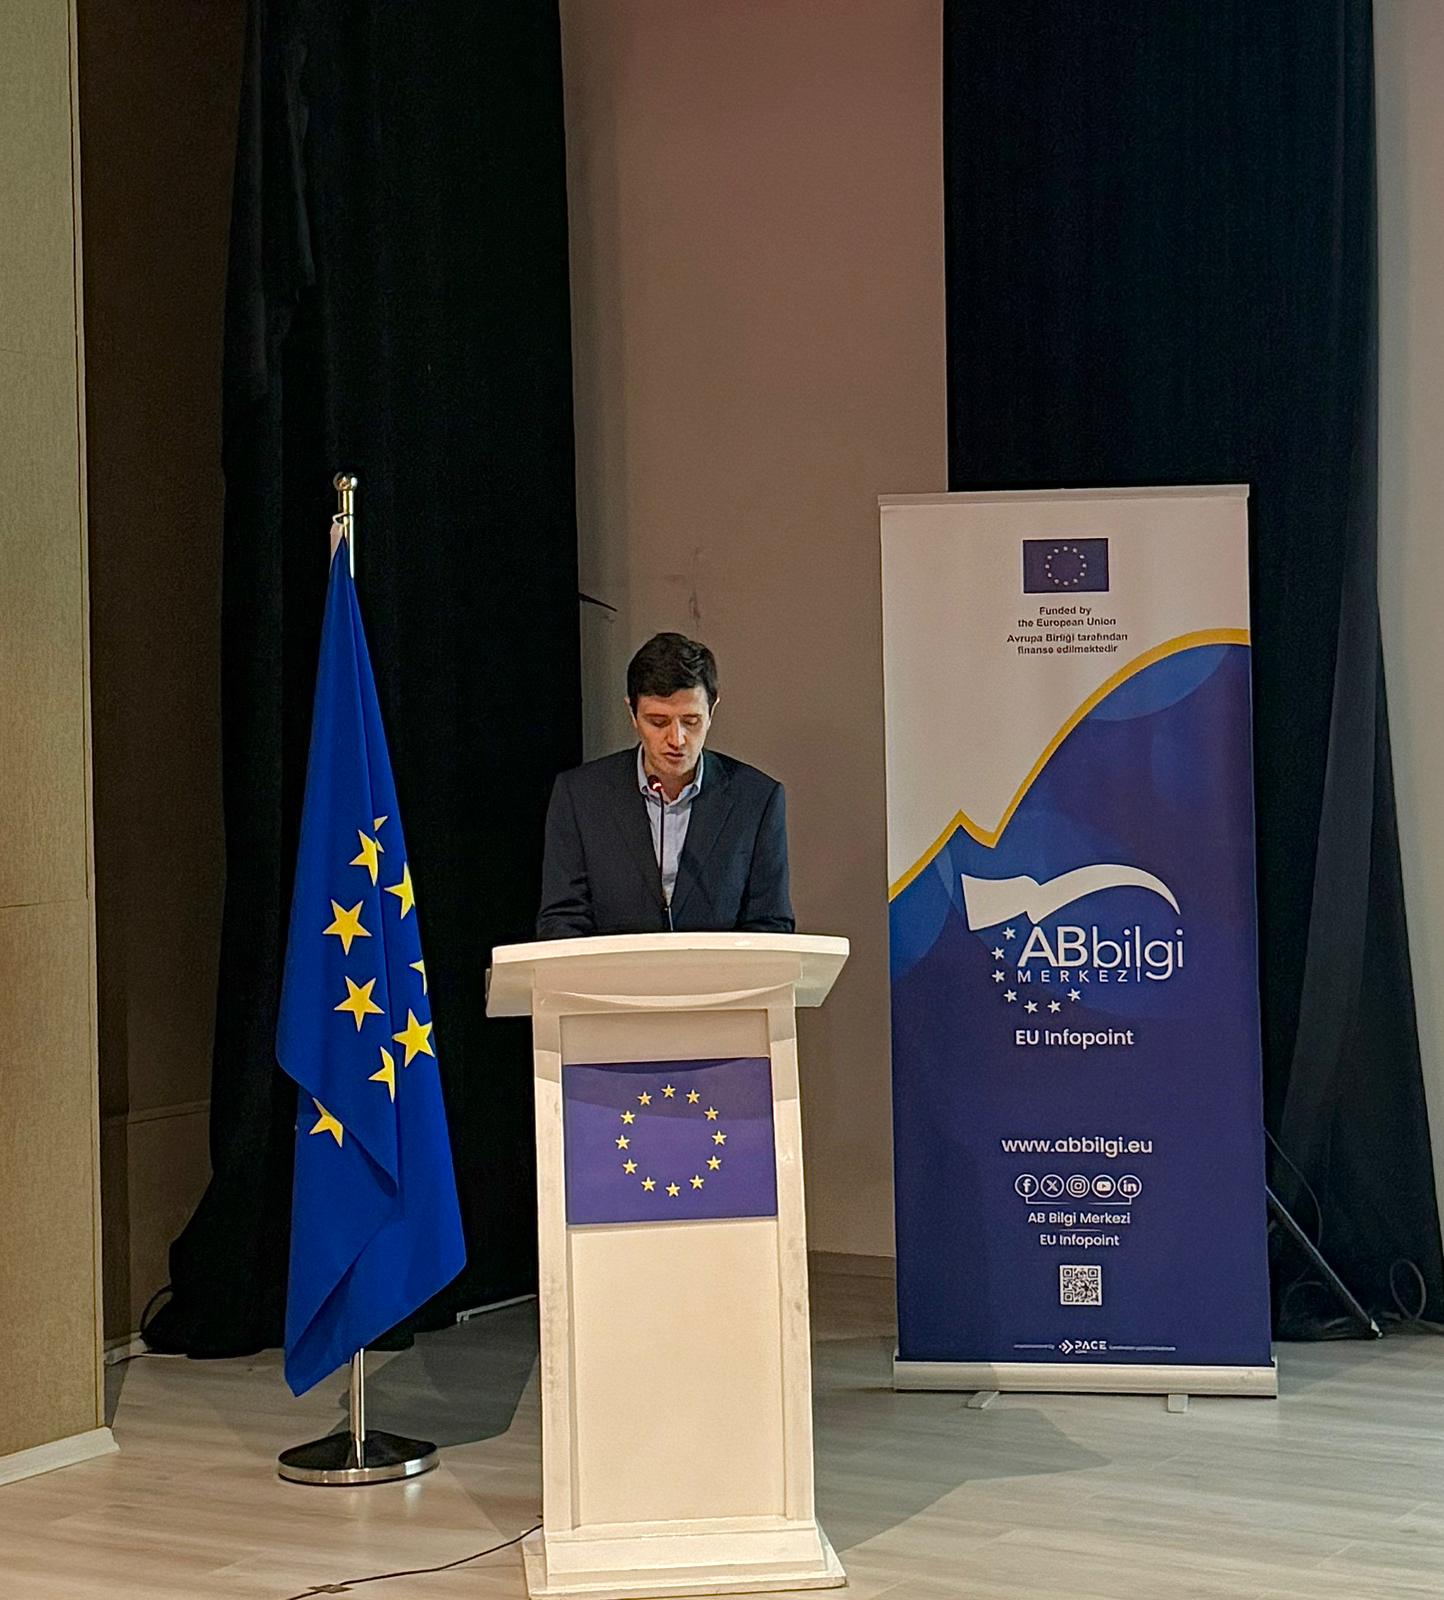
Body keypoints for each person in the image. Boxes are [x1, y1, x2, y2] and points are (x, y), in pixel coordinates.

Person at [537, 632, 794, 938]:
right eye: (658, 722)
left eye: (691, 721)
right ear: (632, 714)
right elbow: (562, 920)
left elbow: (771, 925)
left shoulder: (756, 799)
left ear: (712, 711)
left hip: (719, 969)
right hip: (615, 968)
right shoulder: (580, 795)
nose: (677, 739)